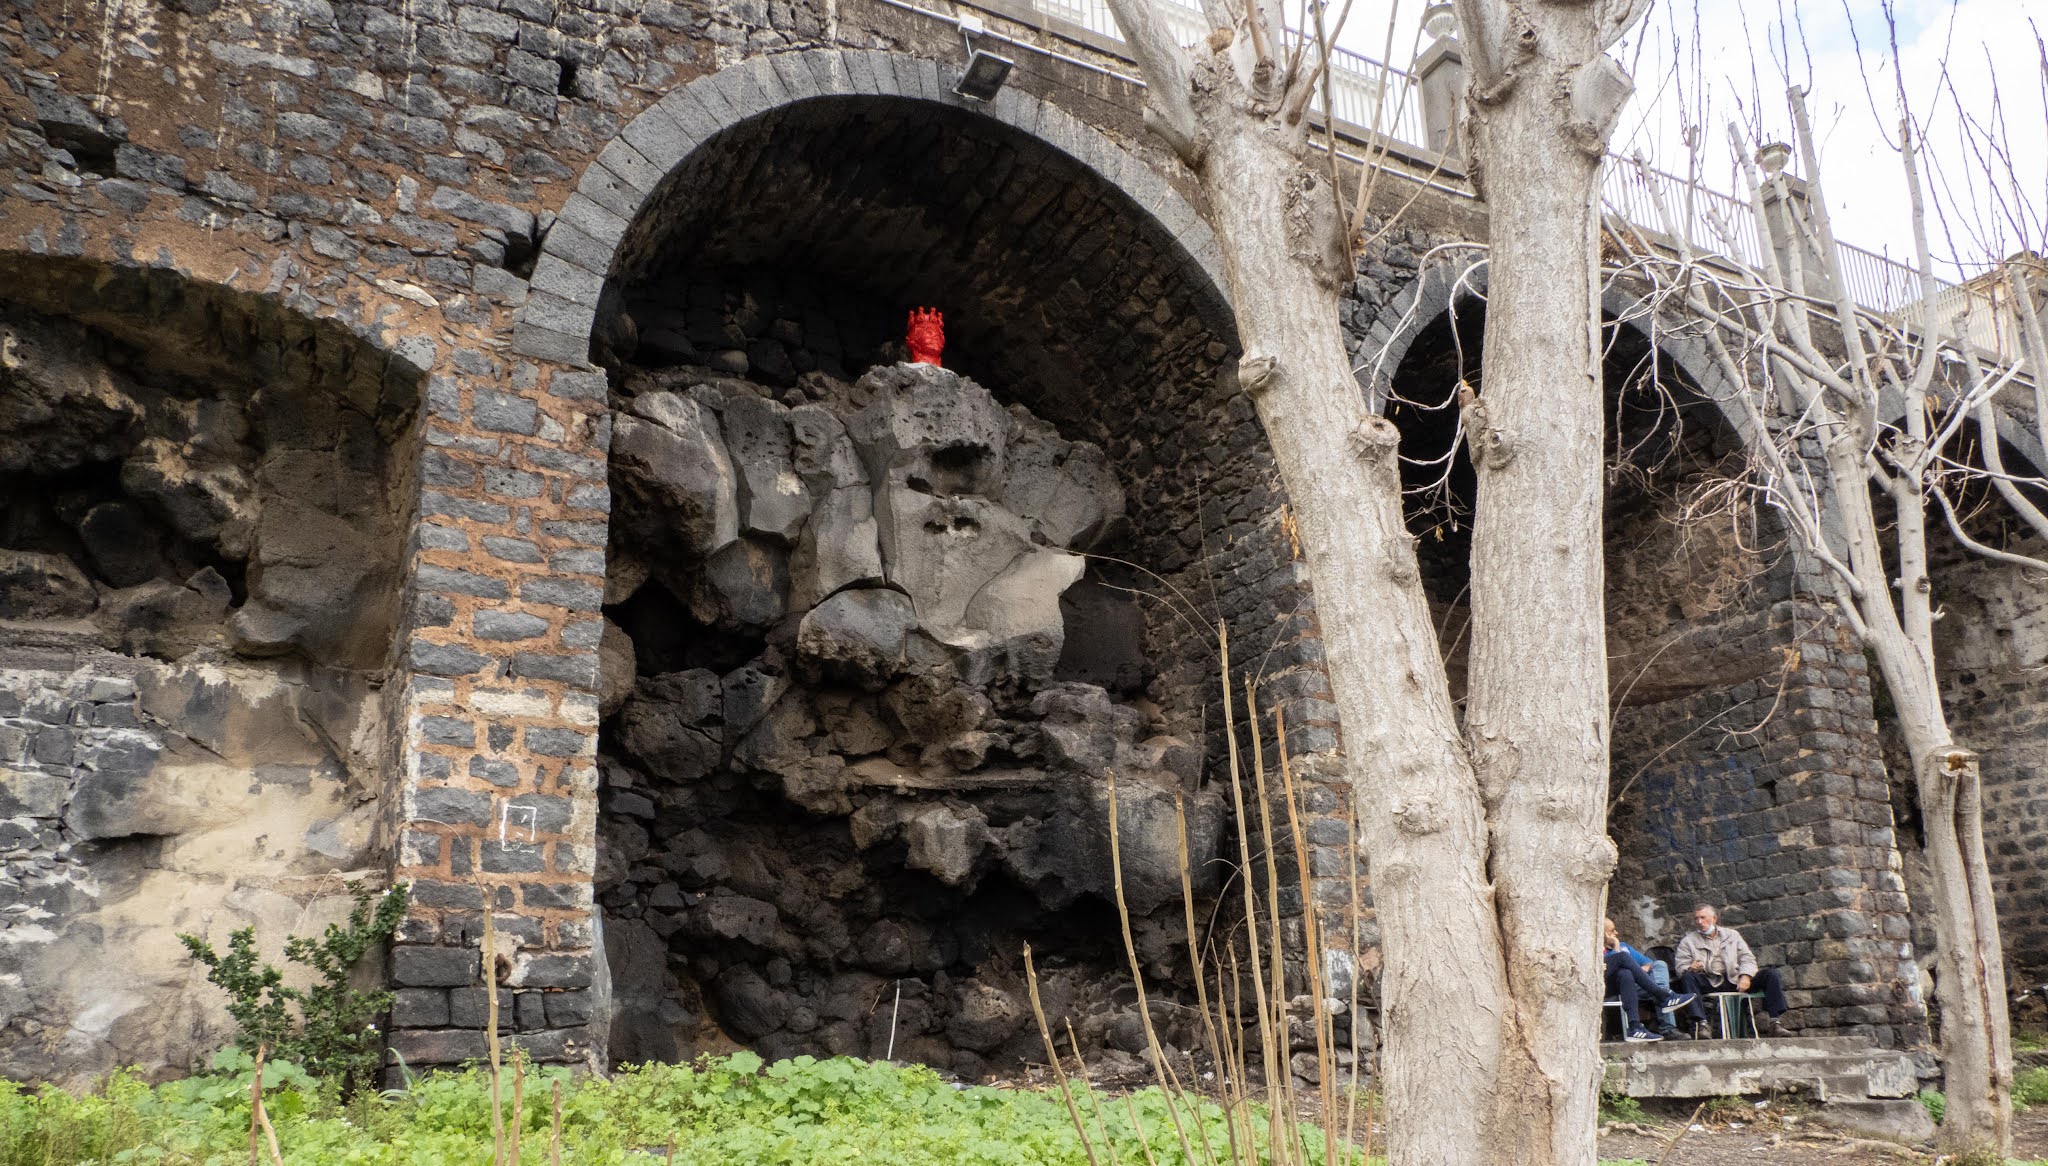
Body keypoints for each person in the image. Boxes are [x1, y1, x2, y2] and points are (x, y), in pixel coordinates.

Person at [1673, 903, 1789, 1038]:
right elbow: (1680, 967)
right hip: (1709, 981)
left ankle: (1775, 1023)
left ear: (1714, 918)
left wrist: (1745, 975)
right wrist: (1690, 967)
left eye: (1703, 917)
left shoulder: (1732, 935)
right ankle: (1702, 1024)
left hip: (1734, 979)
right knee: (1687, 977)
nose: (1699, 922)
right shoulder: (1688, 941)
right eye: (1696, 918)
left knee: (1771, 974)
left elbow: (1747, 958)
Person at [1602, 921, 1696, 1043]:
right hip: (1608, 985)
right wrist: (1616, 949)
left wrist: (1636, 971)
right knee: (1624, 959)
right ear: (1602, 933)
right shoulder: (1597, 949)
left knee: (1632, 971)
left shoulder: (1624, 946)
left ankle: (1635, 1027)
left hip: (1637, 983)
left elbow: (1648, 964)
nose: (1616, 933)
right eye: (1611, 931)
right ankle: (1664, 998)